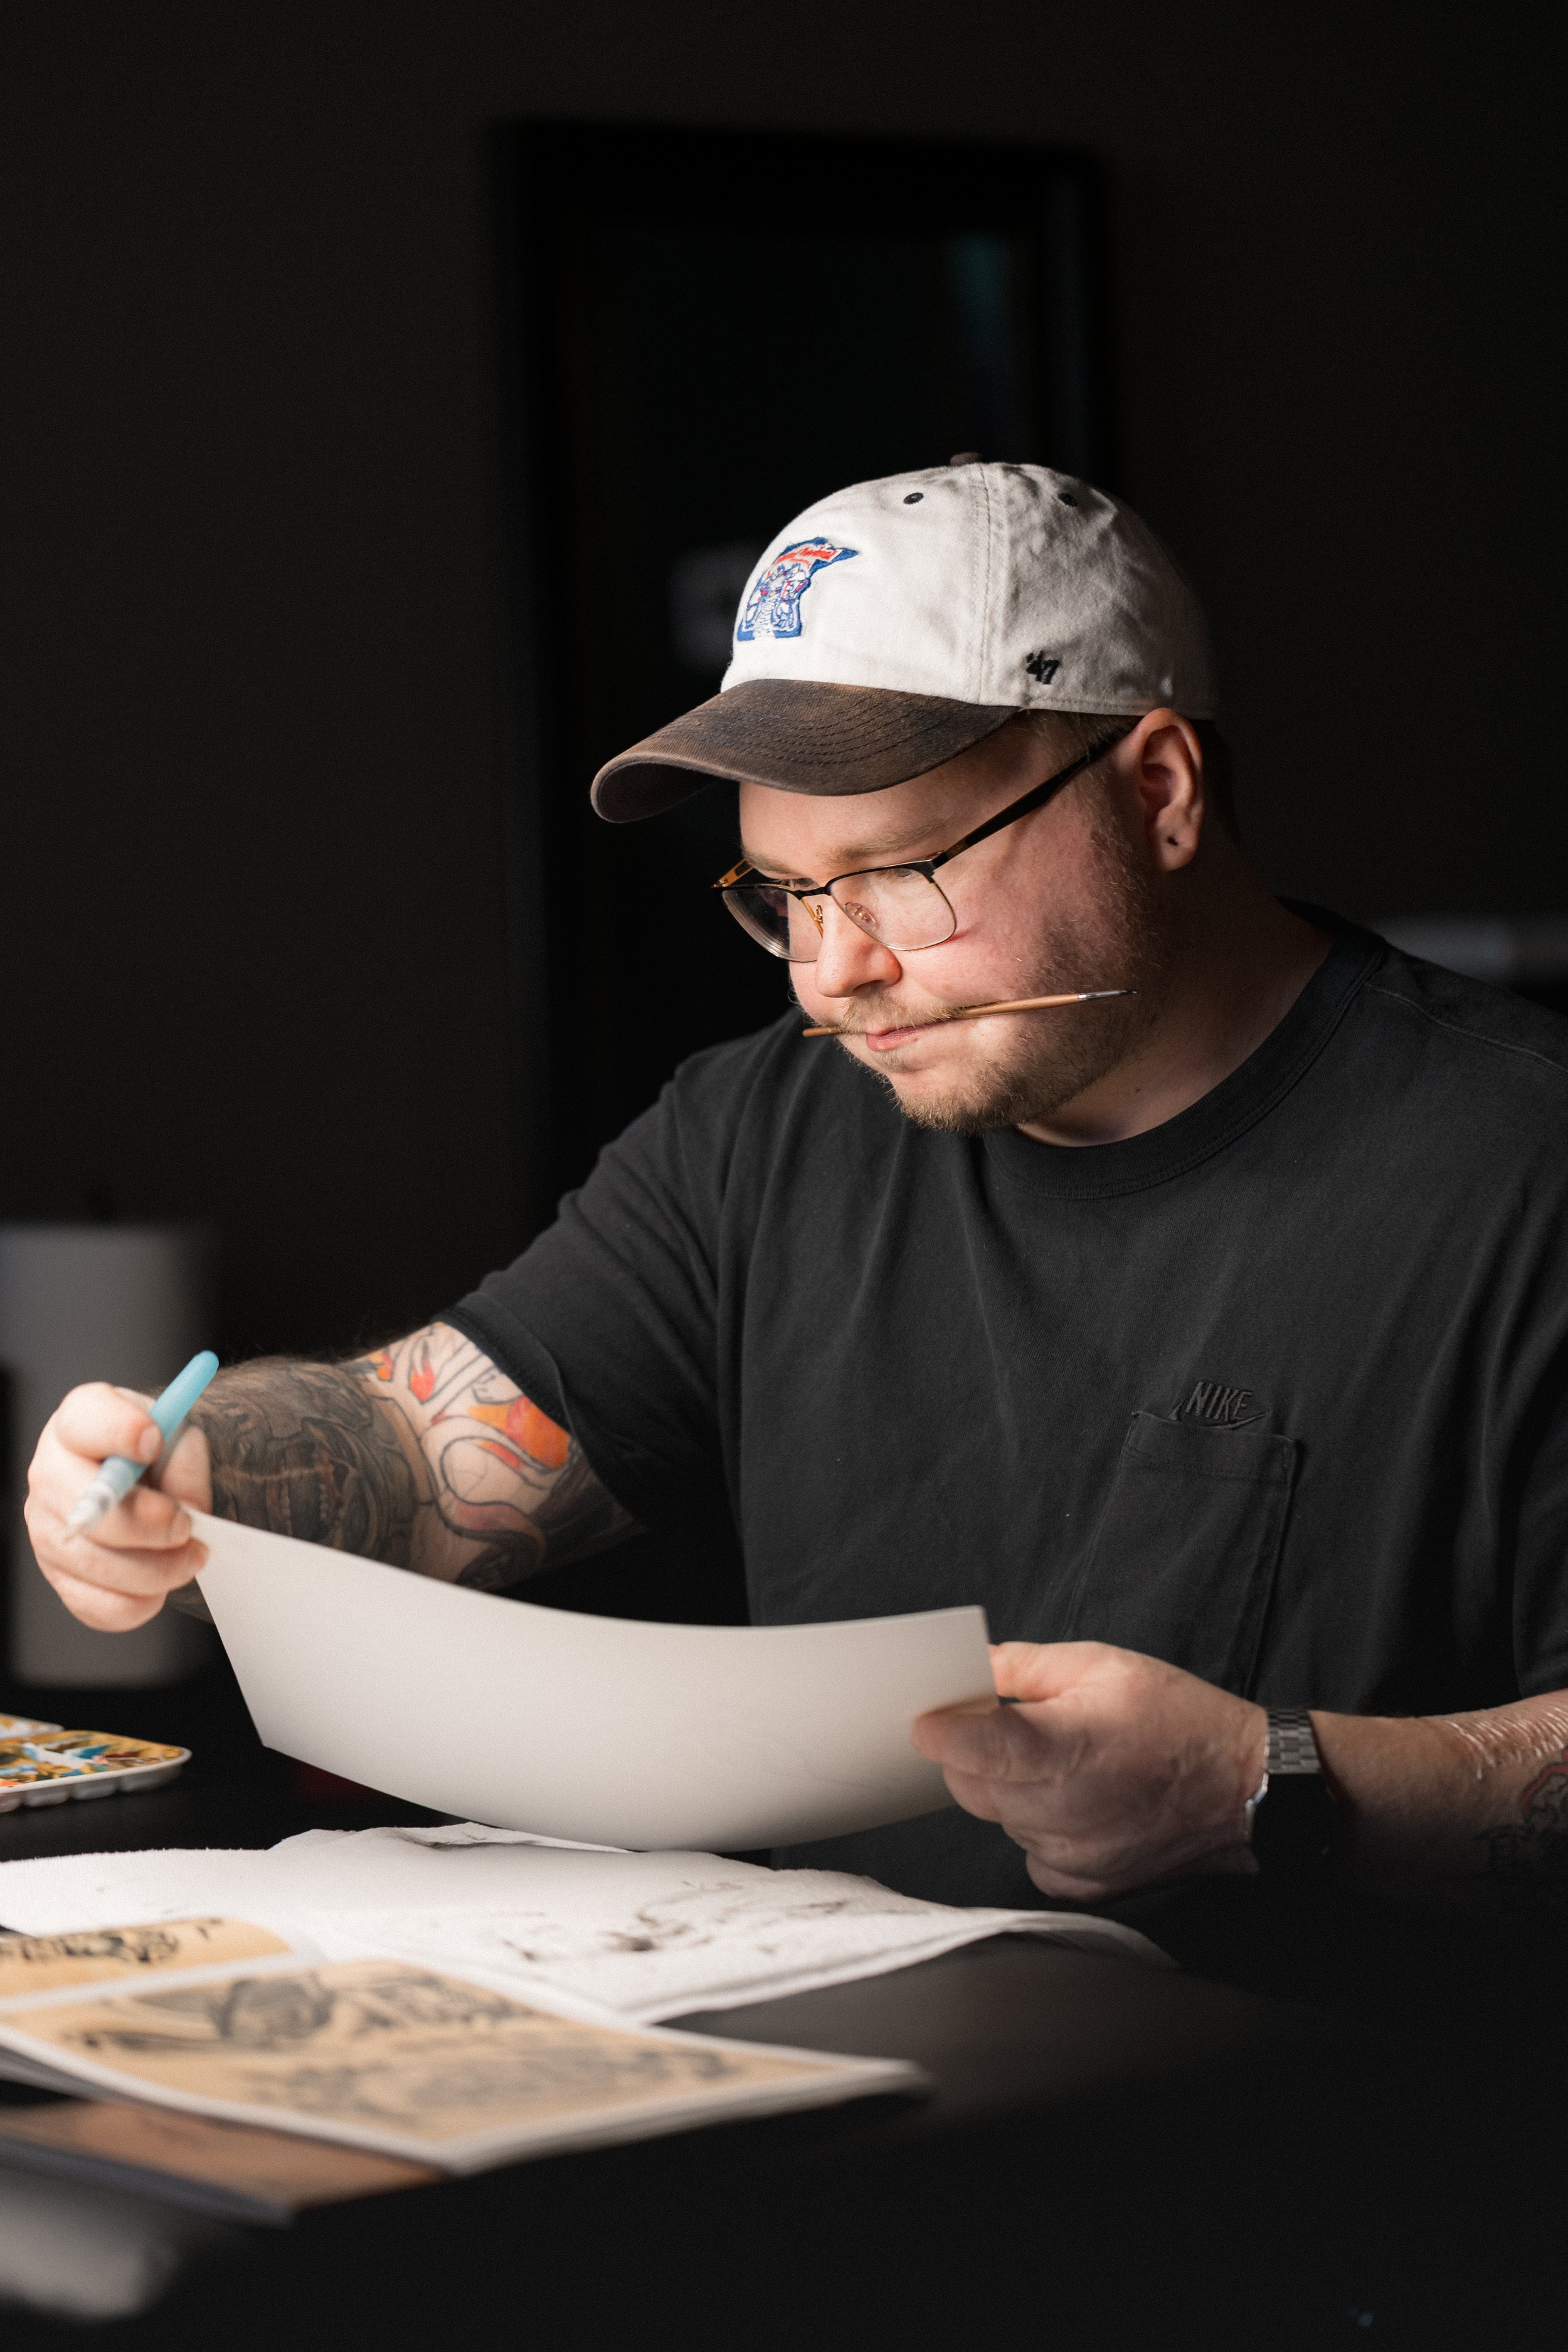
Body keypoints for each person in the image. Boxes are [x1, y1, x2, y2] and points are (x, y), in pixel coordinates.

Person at [24, 458, 1568, 1915]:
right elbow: (423, 1457)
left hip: (1332, 2150)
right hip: (844, 2110)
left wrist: (1268, 1785)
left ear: (1158, 792)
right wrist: (201, 1472)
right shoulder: (764, 1132)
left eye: (901, 872)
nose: (837, 977)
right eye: (786, 895)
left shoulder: (1512, 1168)